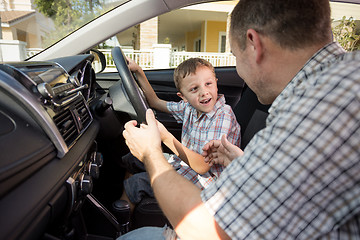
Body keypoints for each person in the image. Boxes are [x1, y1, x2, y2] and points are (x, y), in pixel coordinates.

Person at [119, 0, 360, 239]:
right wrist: (240, 161)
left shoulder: (316, 109)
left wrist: (152, 152)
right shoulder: (330, 87)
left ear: (254, 44)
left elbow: (210, 231)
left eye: (234, 54)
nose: (238, 70)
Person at [119, 57, 241, 208]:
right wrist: (138, 71)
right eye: (194, 89)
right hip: (184, 166)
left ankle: (122, 225)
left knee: (135, 184)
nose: (204, 92)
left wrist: (165, 137)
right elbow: (154, 102)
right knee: (133, 158)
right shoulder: (189, 108)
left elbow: (203, 166)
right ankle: (132, 209)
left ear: (216, 83)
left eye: (208, 84)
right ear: (183, 97)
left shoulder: (223, 116)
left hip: (207, 184)